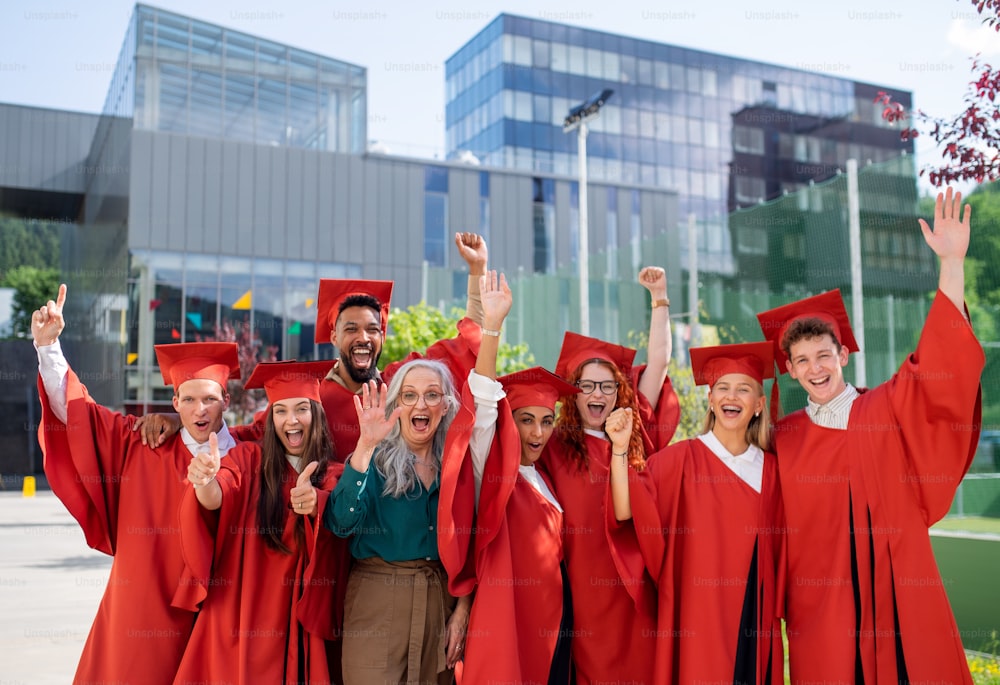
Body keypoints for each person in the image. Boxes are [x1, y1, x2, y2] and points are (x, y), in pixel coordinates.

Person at [756, 187, 983, 685]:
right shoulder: (784, 439)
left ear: (843, 355)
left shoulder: (883, 408)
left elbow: (939, 366)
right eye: (802, 360)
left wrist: (951, 264)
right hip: (823, 607)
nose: (815, 368)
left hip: (899, 590)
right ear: (791, 371)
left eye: (823, 355)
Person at [33, 284, 252, 684]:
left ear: (227, 401)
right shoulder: (141, 443)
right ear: (173, 404)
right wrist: (48, 348)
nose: (199, 410)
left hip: (225, 614)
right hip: (149, 609)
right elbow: (81, 414)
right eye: (187, 400)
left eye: (209, 399)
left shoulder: (251, 453)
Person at [139, 232, 489, 456]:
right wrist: (179, 422)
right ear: (334, 336)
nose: (363, 338)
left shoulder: (403, 384)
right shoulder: (308, 397)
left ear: (382, 336)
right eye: (351, 329)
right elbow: (245, 436)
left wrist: (477, 273)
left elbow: (465, 348)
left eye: (372, 329)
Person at [608, 342, 785, 684]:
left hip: (752, 614)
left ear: (760, 404)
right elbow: (626, 510)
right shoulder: (681, 460)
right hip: (694, 614)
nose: (731, 397)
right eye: (723, 387)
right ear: (710, 399)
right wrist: (618, 450)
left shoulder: (774, 472)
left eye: (744, 389)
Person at [536, 266, 679, 684]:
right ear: (572, 392)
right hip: (581, 581)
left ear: (620, 393)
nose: (597, 395)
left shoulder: (636, 434)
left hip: (630, 575)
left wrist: (660, 299)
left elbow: (660, 361)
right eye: (587, 386)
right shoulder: (554, 444)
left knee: (639, 663)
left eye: (606, 387)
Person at [174, 360, 350, 684]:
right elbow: (220, 494)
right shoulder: (248, 459)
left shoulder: (334, 476)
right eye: (280, 411)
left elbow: (338, 541)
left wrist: (316, 505)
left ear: (317, 415)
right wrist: (204, 482)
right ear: (270, 419)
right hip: (242, 616)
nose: (291, 420)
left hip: (299, 624)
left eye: (301, 409)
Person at [439, 271, 577, 684]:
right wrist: (493, 327)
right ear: (510, 423)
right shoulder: (495, 474)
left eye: (547, 421)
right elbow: (481, 411)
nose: (538, 432)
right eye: (526, 420)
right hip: (509, 621)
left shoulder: (547, 480)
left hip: (554, 622)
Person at [324, 358, 471, 684]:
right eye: (409, 395)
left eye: (432, 395)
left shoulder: (457, 469)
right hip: (378, 604)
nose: (421, 404)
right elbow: (340, 522)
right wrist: (365, 445)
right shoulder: (372, 461)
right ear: (397, 405)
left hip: (439, 607)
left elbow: (473, 546)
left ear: (446, 406)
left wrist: (462, 610)